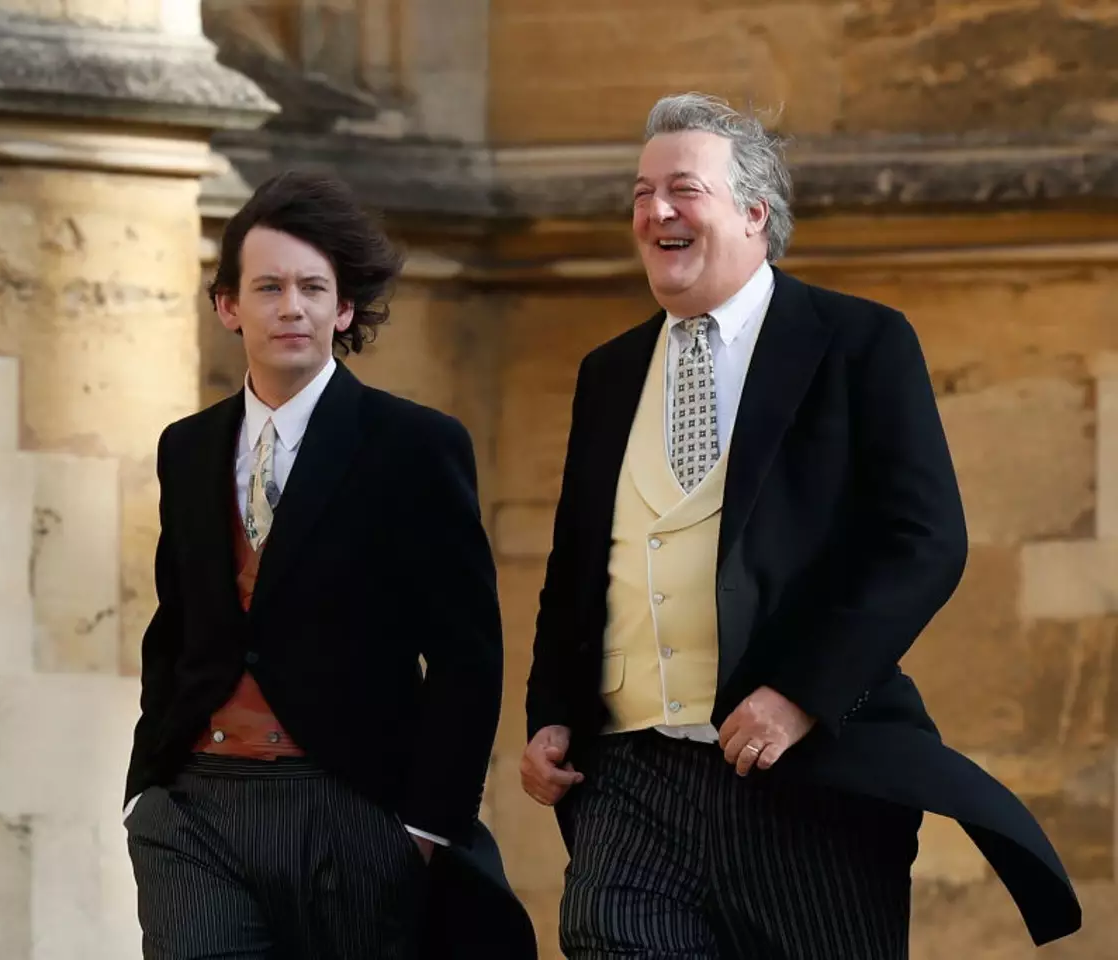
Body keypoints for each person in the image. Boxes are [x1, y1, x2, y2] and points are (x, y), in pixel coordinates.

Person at [521, 92, 1082, 958]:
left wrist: (801, 697)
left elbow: (924, 540)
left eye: (681, 189)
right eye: (639, 193)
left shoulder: (859, 342)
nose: (654, 211)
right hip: (630, 783)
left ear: (754, 211)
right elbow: (581, 567)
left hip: (805, 781)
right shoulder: (609, 373)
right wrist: (553, 711)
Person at [123, 170, 536, 960]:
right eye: (269, 286)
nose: (292, 306)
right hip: (197, 808)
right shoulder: (188, 447)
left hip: (350, 807)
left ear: (343, 308)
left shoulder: (415, 445)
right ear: (227, 306)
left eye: (314, 287)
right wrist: (147, 785)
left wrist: (422, 826)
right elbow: (175, 624)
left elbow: (465, 655)